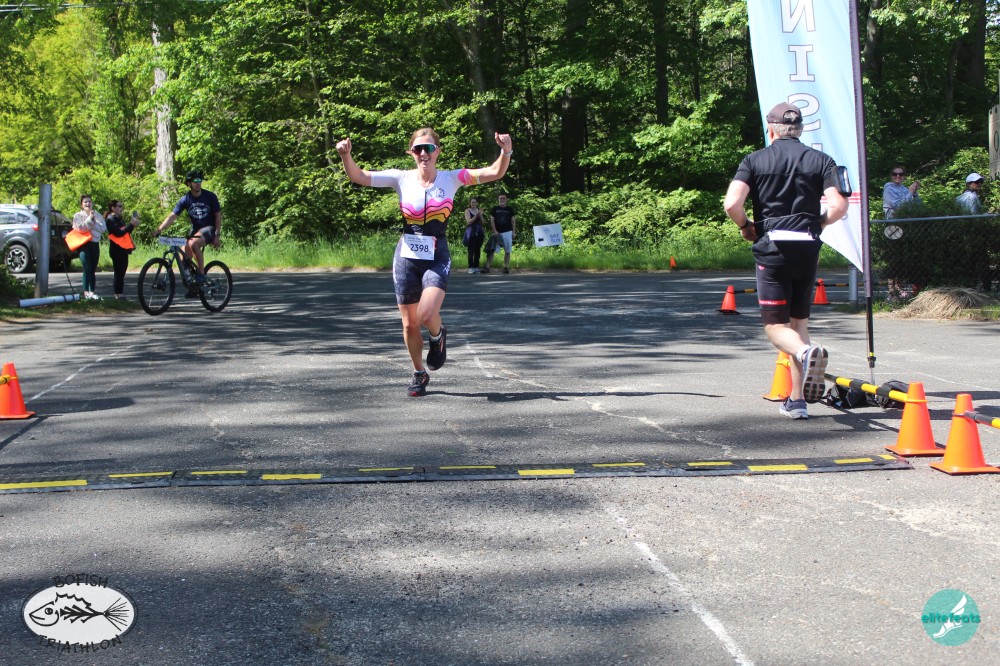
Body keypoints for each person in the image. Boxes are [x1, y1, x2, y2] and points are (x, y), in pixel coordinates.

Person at [336, 127, 513, 397]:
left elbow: (494, 172)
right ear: (411, 153)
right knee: (409, 324)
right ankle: (419, 372)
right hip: (407, 255)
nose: (423, 153)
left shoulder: (452, 178)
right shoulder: (401, 178)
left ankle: (438, 334)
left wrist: (506, 151)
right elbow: (359, 176)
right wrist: (346, 156)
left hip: (436, 253)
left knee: (427, 314)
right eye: (418, 149)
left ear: (437, 152)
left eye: (428, 148)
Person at [723, 102, 849, 420]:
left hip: (773, 248)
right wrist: (820, 223)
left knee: (776, 327)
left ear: (771, 130)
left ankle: (806, 353)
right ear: (801, 129)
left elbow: (732, 203)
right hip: (807, 246)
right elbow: (838, 206)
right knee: (798, 324)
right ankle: (797, 401)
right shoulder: (821, 160)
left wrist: (745, 226)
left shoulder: (755, 160)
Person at [154, 170, 222, 295]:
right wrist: (159, 229)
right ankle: (193, 286)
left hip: (209, 229)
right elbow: (172, 216)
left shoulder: (210, 196)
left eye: (199, 181)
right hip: (195, 230)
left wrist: (217, 234)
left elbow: (218, 215)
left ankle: (201, 275)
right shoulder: (186, 199)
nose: (198, 183)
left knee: (193, 244)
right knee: (183, 256)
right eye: (195, 181)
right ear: (189, 184)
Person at [71, 194, 106, 300]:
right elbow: (80, 228)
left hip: (94, 244)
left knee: (93, 269)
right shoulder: (77, 216)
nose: (88, 204)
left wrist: (92, 223)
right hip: (83, 244)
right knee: (87, 267)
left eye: (89, 201)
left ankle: (92, 292)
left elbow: (102, 228)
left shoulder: (97, 215)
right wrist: (90, 220)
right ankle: (86, 292)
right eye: (85, 202)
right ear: (81, 205)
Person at [104, 201, 139, 300]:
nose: (121, 208)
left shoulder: (119, 219)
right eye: (119, 206)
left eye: (121, 206)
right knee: (118, 272)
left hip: (123, 249)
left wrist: (133, 225)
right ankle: (118, 294)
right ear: (113, 208)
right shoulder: (110, 220)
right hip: (116, 250)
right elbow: (119, 233)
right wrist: (131, 225)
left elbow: (126, 232)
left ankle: (120, 293)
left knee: (122, 272)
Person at [483, 192, 516, 274]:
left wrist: (514, 232)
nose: (502, 200)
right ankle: (487, 267)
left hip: (508, 232)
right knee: (491, 250)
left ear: (506, 199)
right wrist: (494, 231)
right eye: (501, 198)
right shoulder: (494, 209)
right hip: (497, 233)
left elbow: (513, 220)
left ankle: (506, 267)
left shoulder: (510, 209)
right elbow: (492, 220)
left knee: (507, 250)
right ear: (498, 199)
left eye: (504, 198)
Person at [463, 197, 486, 273]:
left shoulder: (478, 210)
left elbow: (483, 222)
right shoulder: (467, 210)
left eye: (474, 202)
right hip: (471, 232)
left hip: (479, 232)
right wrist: (476, 215)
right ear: (470, 203)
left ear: (477, 203)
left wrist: (480, 215)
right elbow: (469, 222)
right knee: (471, 250)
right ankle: (471, 267)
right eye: (472, 202)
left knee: (477, 250)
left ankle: (476, 266)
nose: (473, 203)